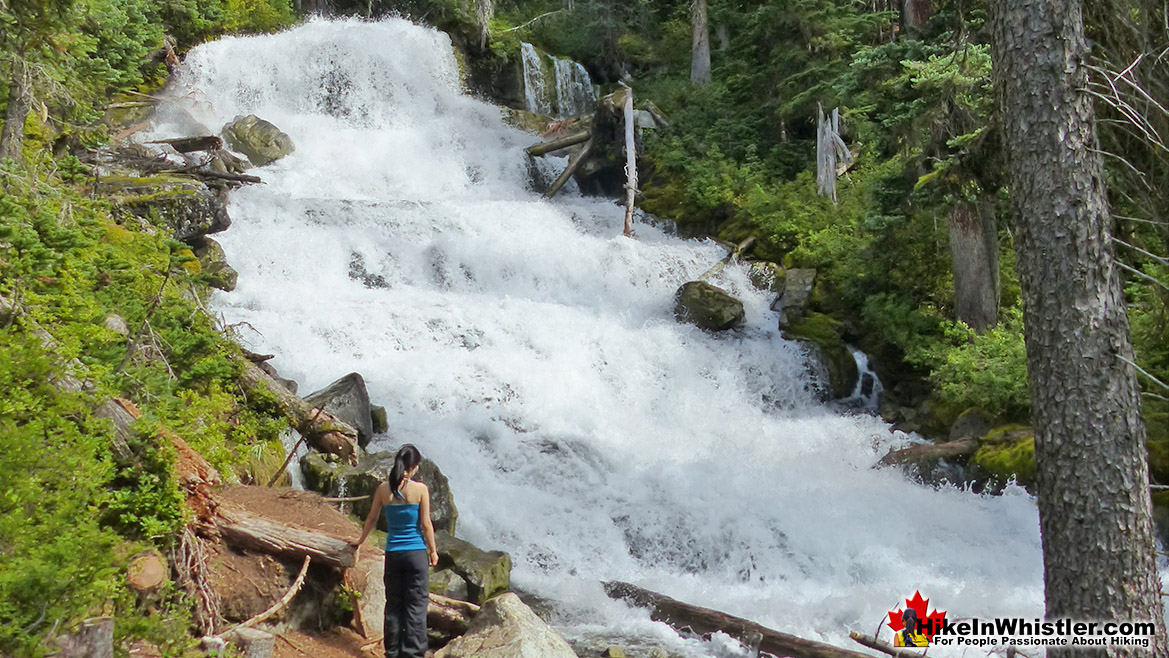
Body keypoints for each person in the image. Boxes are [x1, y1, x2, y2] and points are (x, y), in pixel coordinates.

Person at [351, 445, 439, 658]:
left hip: (393, 554)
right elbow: (426, 524)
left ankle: (392, 652)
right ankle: (413, 653)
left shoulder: (383, 489)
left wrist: (359, 541)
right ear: (414, 467)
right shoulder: (420, 490)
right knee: (416, 605)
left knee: (393, 605)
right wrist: (433, 551)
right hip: (416, 554)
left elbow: (371, 518)